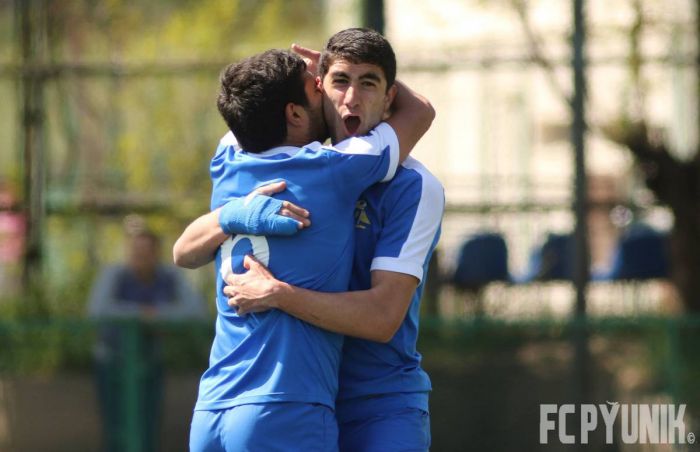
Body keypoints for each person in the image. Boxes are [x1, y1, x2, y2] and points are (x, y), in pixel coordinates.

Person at [175, 28, 443, 451]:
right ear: (298, 111)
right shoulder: (331, 170)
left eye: (368, 83)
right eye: (333, 83)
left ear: (390, 97)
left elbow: (381, 317)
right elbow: (422, 111)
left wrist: (280, 294)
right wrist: (229, 216)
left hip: (377, 403)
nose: (350, 98)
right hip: (290, 403)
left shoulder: (233, 156)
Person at [87, 227, 206, 452]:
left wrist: (156, 314)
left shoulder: (168, 276)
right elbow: (97, 310)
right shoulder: (115, 274)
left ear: (156, 253)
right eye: (135, 251)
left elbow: (196, 311)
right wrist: (142, 314)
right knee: (114, 424)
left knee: (149, 422)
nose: (139, 257)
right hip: (112, 362)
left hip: (150, 361)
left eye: (145, 252)